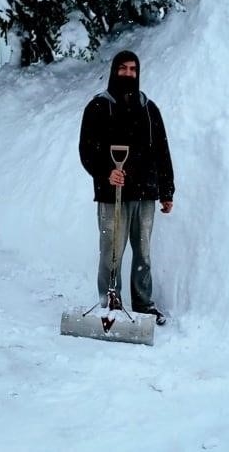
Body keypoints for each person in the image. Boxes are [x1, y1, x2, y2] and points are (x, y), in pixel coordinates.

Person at [79, 50, 174, 326]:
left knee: (143, 253)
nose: (129, 74)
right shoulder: (98, 107)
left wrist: (167, 190)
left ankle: (144, 304)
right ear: (114, 70)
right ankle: (111, 304)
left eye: (133, 69)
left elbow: (162, 151)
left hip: (145, 193)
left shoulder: (148, 108)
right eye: (123, 68)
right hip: (112, 195)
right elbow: (87, 149)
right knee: (112, 251)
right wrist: (106, 172)